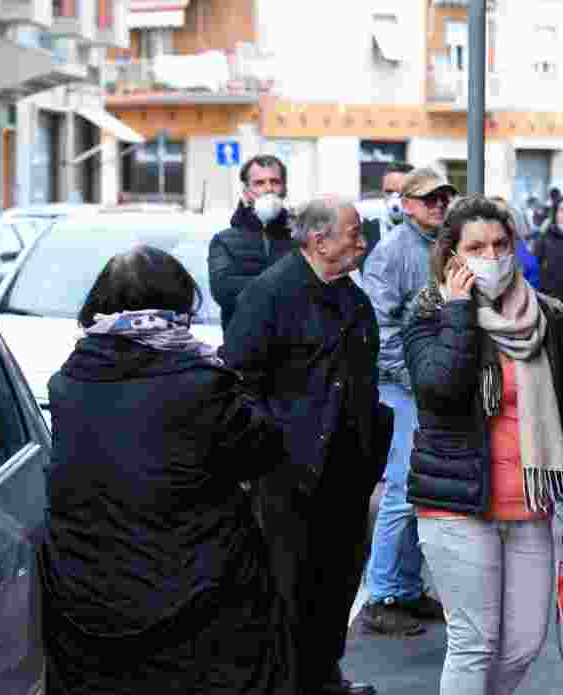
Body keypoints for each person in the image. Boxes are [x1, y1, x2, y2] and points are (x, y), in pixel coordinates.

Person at [40, 247, 291, 694]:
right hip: (197, 593)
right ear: (176, 304)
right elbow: (261, 448)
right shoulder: (200, 381)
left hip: (88, 596)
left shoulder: (68, 382)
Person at [404, 195, 563, 695]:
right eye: (477, 247)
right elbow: (439, 389)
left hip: (530, 504)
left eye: (501, 244)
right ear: (452, 256)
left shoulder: (546, 316)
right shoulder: (428, 314)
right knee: (474, 644)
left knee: (523, 644)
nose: (492, 256)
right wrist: (459, 312)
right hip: (458, 505)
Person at [224, 197, 394, 695]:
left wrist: (370, 445)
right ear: (320, 241)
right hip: (289, 476)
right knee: (289, 593)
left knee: (337, 584)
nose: (363, 243)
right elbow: (239, 381)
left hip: (346, 470)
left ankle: (324, 676)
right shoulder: (270, 295)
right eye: (354, 233)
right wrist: (272, 449)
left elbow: (364, 379)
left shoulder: (352, 298)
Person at [359, 169, 456, 636]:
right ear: (407, 204)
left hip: (430, 385)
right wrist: (420, 378)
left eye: (443, 196)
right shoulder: (392, 252)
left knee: (419, 491)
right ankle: (381, 592)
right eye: (429, 198)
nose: (438, 204)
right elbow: (381, 330)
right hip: (403, 386)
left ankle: (406, 587)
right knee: (401, 490)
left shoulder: (443, 246)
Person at [208, 154, 294, 330]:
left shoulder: (300, 238)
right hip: (244, 349)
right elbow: (224, 292)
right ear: (246, 191)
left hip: (297, 350)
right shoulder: (224, 241)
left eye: (275, 182)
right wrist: (286, 285)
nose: (268, 188)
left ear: (284, 188)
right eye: (259, 183)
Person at [533, 196, 563, 365]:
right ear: (555, 214)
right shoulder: (545, 238)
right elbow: (536, 270)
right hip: (549, 304)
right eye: (562, 209)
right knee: (550, 355)